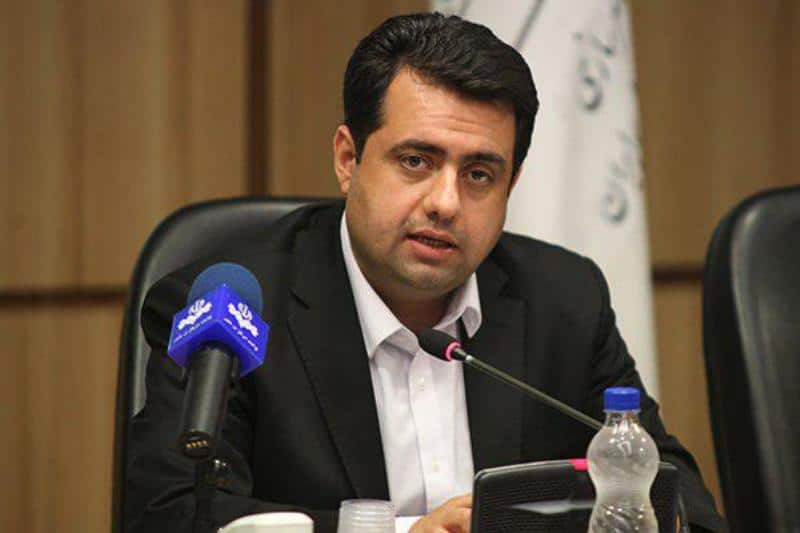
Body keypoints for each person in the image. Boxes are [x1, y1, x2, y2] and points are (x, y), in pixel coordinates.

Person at [126, 12, 725, 533]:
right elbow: (171, 513)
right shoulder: (232, 307)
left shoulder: (565, 301)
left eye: (479, 174)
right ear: (348, 159)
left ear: (511, 184)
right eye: (416, 161)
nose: (446, 203)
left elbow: (681, 501)